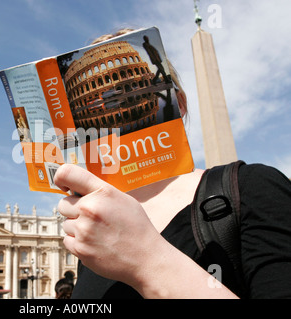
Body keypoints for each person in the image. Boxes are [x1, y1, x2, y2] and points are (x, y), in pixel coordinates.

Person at [54, 29, 291, 299]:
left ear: (177, 103)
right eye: (99, 102)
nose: (116, 107)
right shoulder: (93, 230)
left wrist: (147, 261)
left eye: (128, 89)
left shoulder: (253, 189)